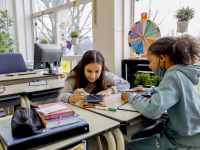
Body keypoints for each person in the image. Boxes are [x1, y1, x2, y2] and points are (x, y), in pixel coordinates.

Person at [122, 34, 200, 150]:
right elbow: (172, 91)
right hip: (188, 132)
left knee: (129, 146)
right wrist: (149, 90)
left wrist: (131, 98)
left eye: (150, 60)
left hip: (181, 140)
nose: (149, 66)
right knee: (136, 135)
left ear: (163, 58)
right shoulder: (182, 73)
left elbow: (153, 110)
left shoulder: (173, 76)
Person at [57, 50, 130, 103]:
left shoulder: (105, 75)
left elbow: (126, 84)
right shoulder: (74, 75)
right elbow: (59, 98)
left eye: (97, 71)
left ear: (102, 69)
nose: (93, 76)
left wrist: (110, 90)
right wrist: (72, 98)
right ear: (83, 68)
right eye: (89, 71)